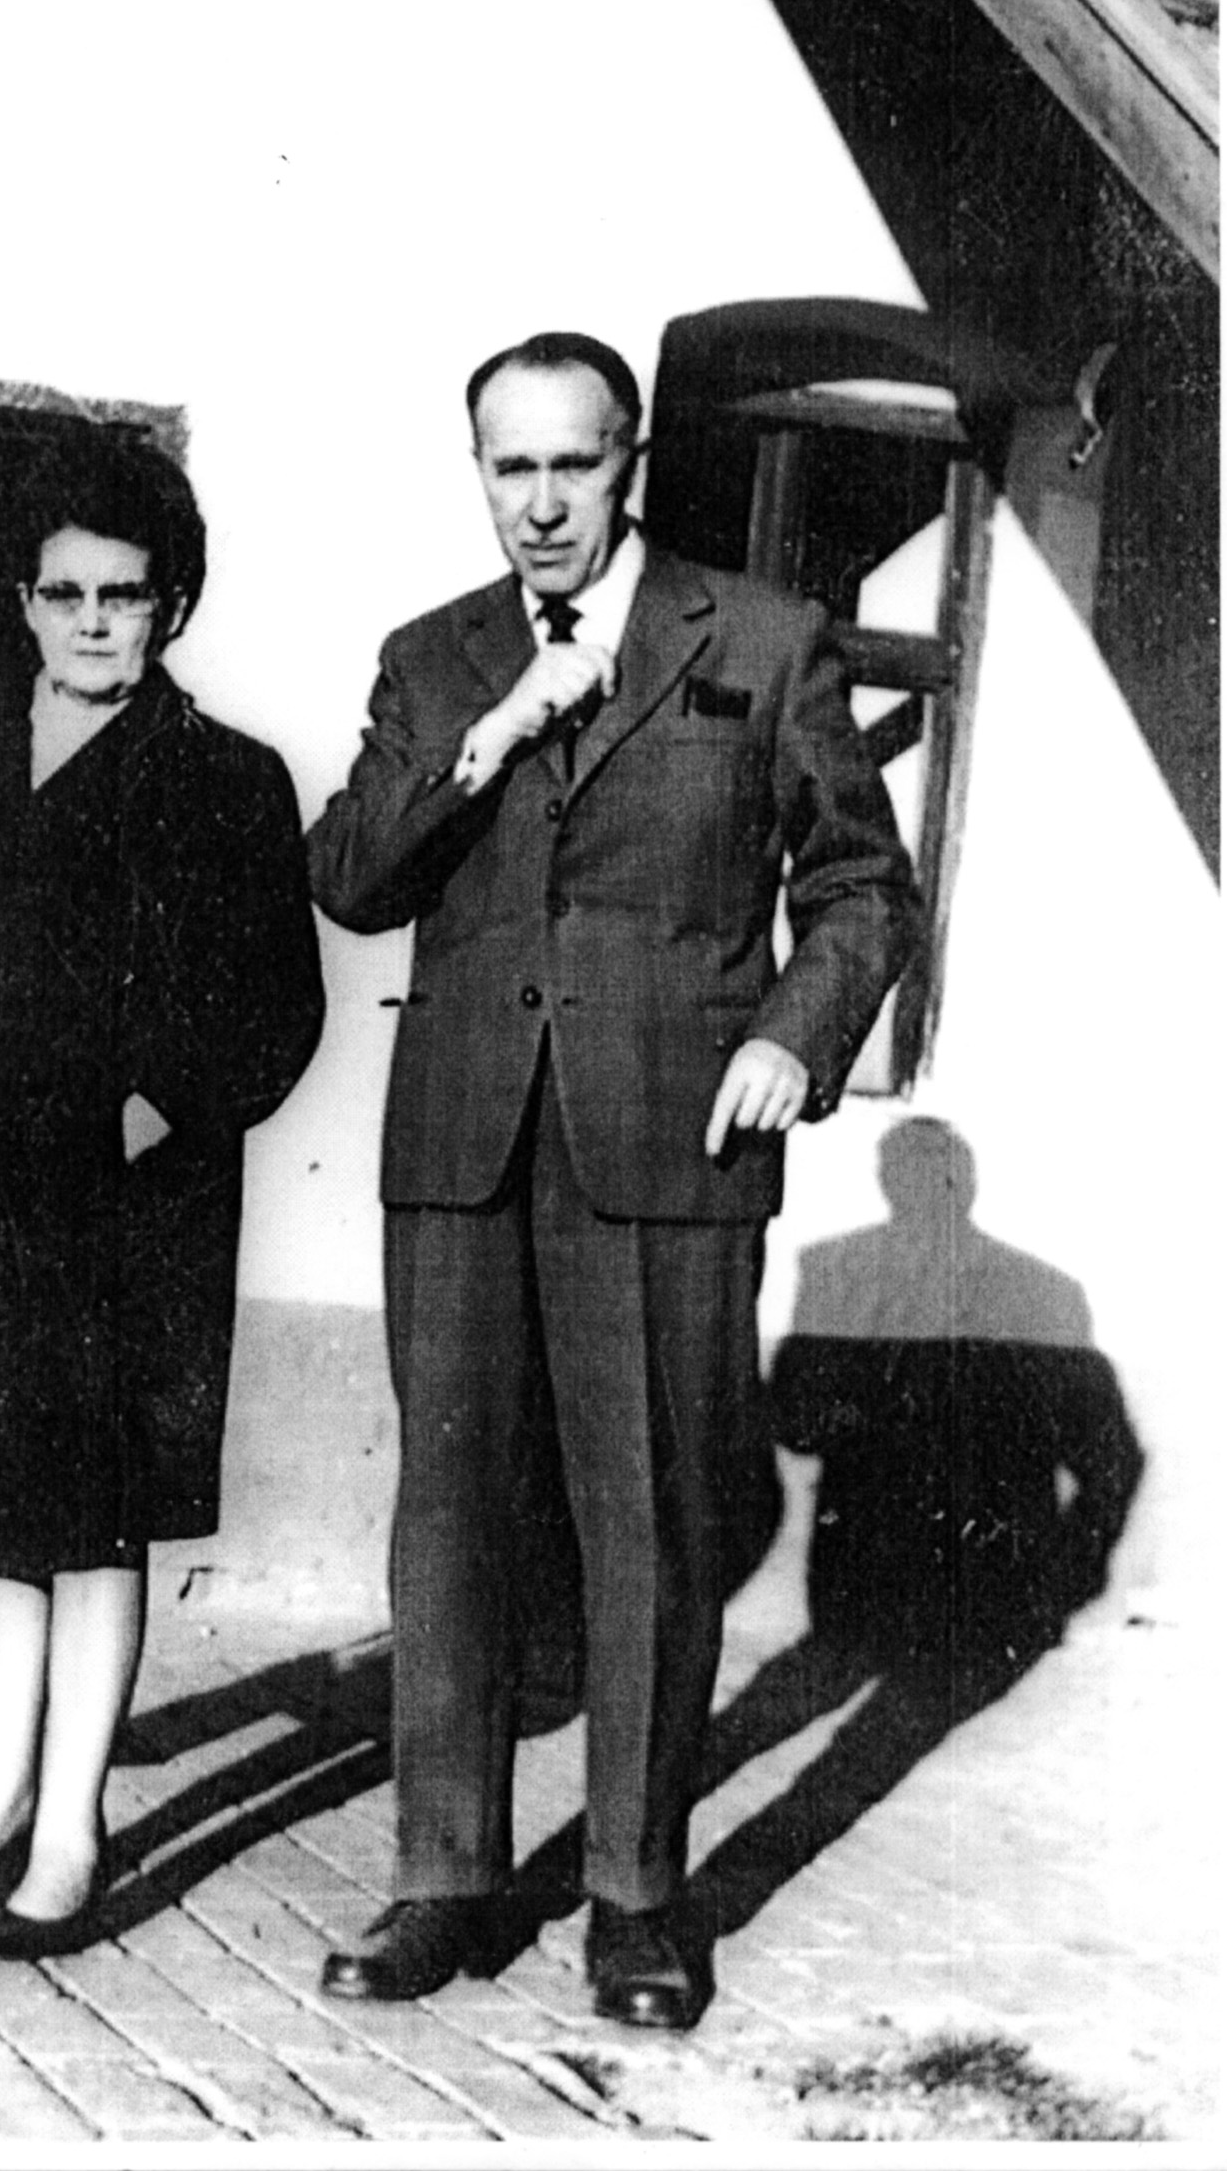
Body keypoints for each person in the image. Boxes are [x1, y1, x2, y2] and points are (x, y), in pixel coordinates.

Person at [307, 330, 917, 2027]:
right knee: (447, 1519)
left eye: (572, 464)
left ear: (629, 460)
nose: (541, 503)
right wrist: (495, 730)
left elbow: (862, 887)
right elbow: (351, 878)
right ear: (479, 474)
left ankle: (637, 1899)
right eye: (509, 467)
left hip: (670, 1150)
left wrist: (794, 1034)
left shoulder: (762, 637)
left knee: (647, 1521)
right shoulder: (435, 658)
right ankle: (443, 1877)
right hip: (462, 1146)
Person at [0, 424, 323, 1959]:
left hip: (127, 1206)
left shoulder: (225, 780)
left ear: (174, 605)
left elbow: (272, 1010)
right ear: (23, 602)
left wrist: (149, 1110)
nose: (94, 621)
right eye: (65, 593)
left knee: (94, 1520)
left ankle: (70, 1834)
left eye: (125, 594)